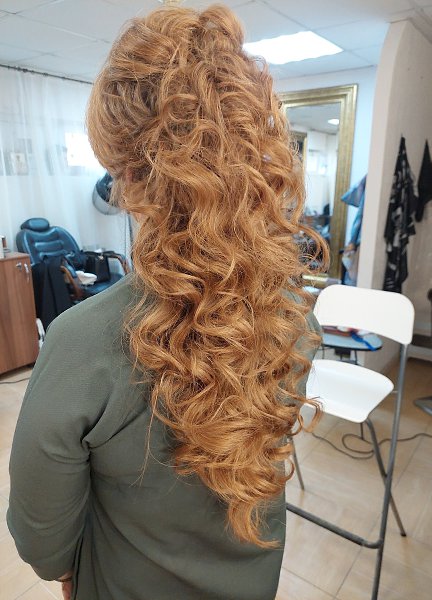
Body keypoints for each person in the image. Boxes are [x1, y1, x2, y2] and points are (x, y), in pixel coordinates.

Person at [7, 4, 327, 600]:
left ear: (128, 177)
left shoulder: (84, 341)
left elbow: (40, 536)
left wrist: (70, 573)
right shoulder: (292, 309)